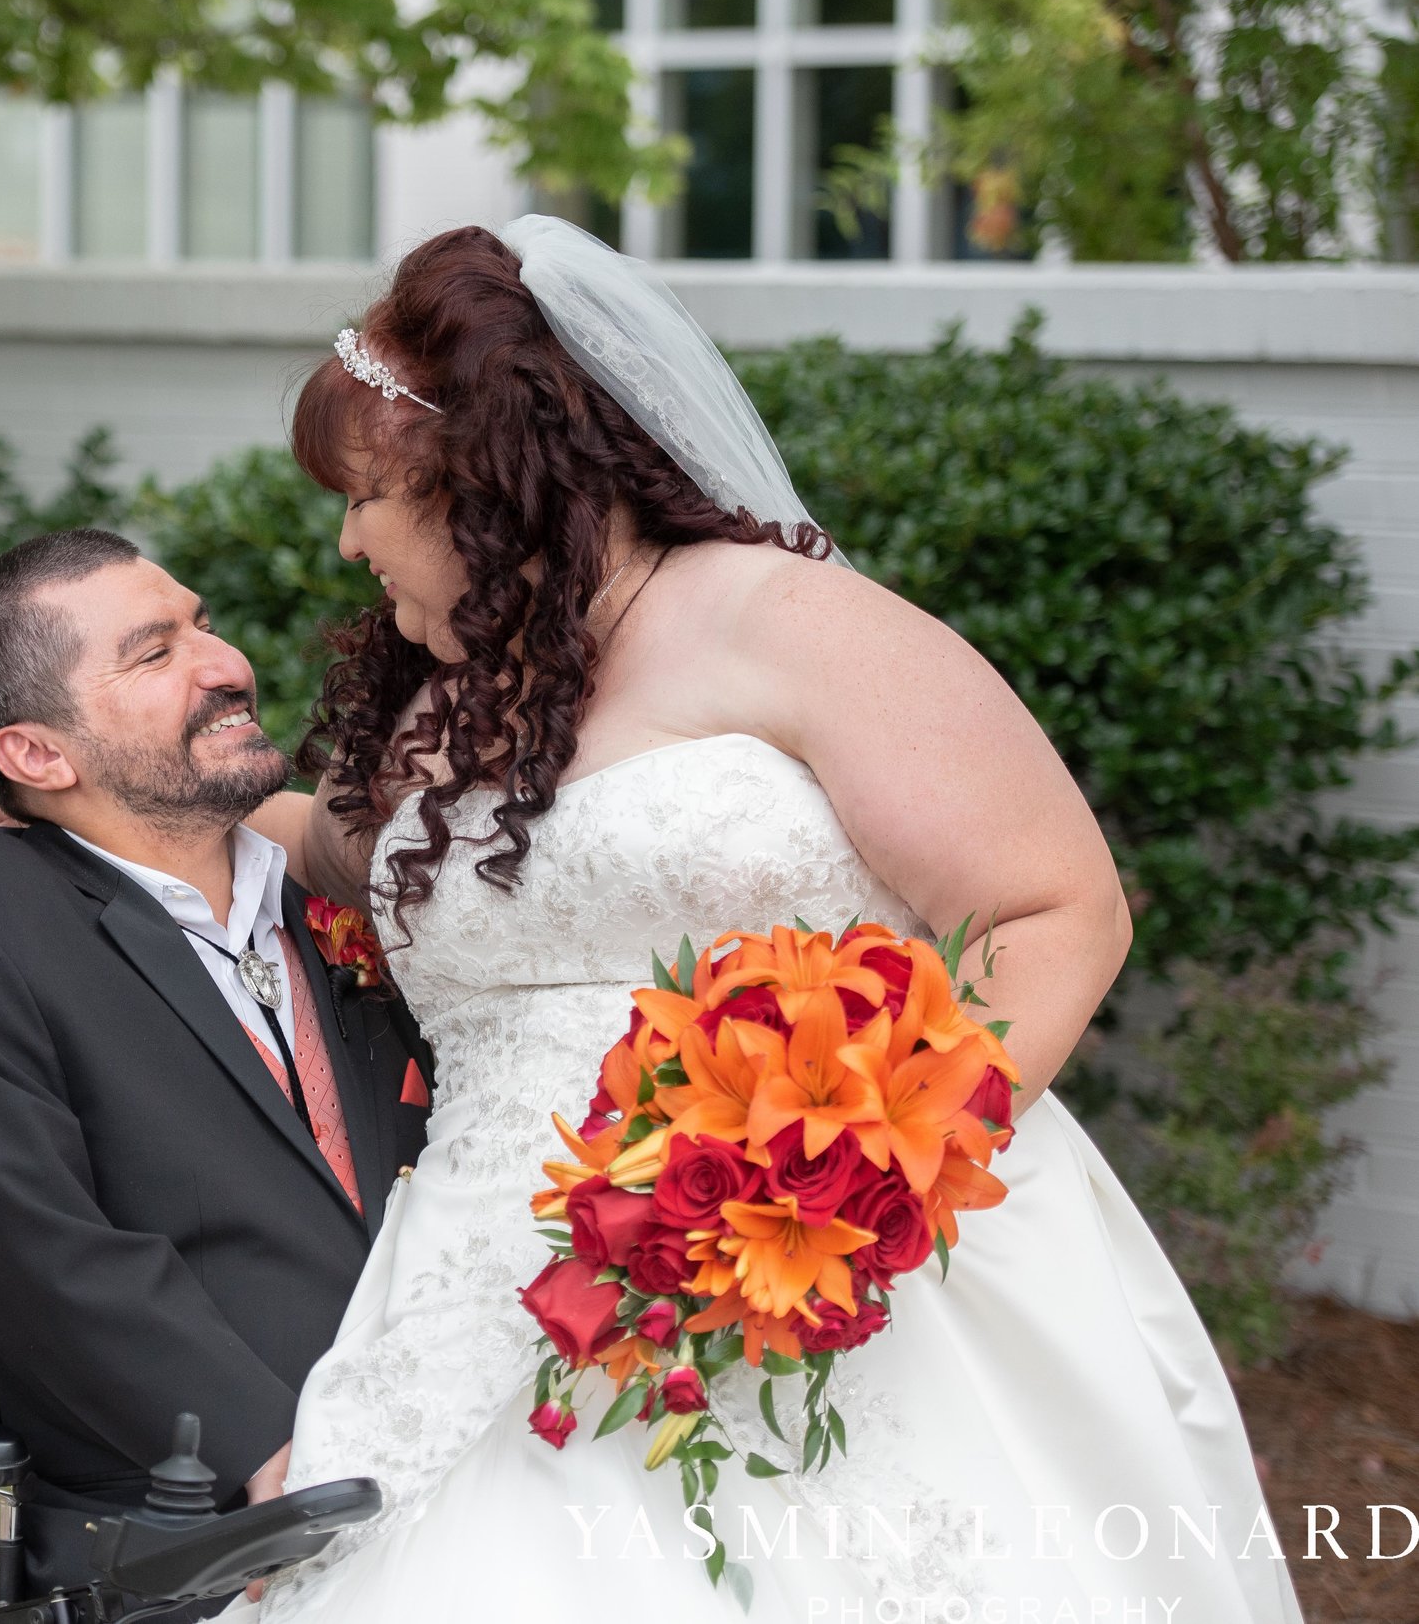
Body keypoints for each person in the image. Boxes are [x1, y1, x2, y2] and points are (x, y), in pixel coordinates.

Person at [214, 219, 1301, 1621]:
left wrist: (845, 1190)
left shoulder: (792, 627)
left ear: (488, 479)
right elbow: (346, 856)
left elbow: (1057, 910)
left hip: (836, 1263)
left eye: (366, 496)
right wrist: (115, 813)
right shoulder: (456, 704)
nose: (350, 538)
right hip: (492, 1292)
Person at [0, 528, 434, 1591]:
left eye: (204, 625)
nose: (224, 666)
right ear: (39, 754)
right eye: (154, 652)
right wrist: (258, 1456)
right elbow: (31, 1242)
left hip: (451, 1424)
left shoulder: (338, 897)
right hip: (200, 1512)